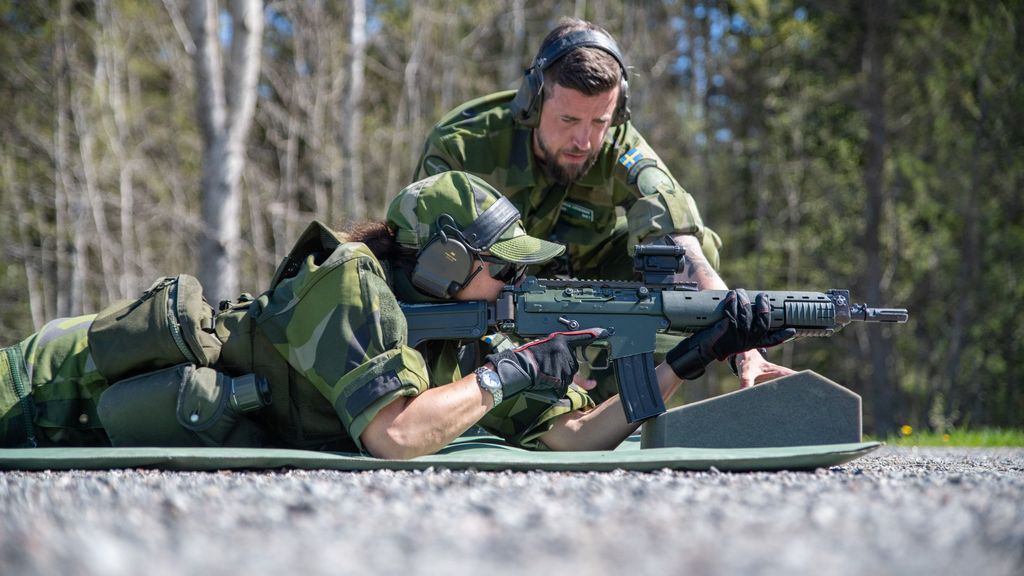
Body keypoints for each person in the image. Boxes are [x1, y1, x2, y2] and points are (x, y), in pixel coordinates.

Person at [0, 172, 793, 458]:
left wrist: (687, 361)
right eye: (498, 264)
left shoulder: (471, 334)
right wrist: (511, 370)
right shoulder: (347, 281)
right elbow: (396, 435)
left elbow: (568, 435)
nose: (513, 279)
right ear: (445, 262)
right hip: (41, 389)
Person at [414, 18, 795, 392]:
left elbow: (674, 227)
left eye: (600, 121)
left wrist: (736, 330)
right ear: (532, 100)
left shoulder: (620, 145)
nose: (584, 140)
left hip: (587, 281)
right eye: (568, 119)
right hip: (487, 293)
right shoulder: (461, 145)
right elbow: (429, 265)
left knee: (682, 257)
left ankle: (611, 394)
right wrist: (525, 356)